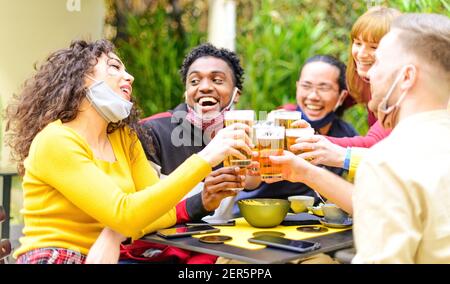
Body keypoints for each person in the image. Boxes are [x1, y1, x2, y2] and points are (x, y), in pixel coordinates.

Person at [4, 39, 252, 264]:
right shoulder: (55, 140)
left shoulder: (125, 138)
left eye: (125, 69)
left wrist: (114, 232)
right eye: (114, 67)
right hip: (55, 256)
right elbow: (127, 214)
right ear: (81, 79)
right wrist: (208, 157)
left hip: (110, 255)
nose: (130, 77)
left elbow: (159, 212)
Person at [271, 13, 450, 263]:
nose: (366, 72)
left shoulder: (388, 163)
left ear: (407, 77)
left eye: (378, 61)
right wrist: (305, 172)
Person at [232, 55, 357, 215]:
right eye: (306, 86)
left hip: (312, 225)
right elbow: (250, 182)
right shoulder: (279, 124)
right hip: (262, 217)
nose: (313, 96)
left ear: (342, 96)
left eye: (324, 88)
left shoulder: (346, 133)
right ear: (298, 87)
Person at [292, 6, 401, 179]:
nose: (362, 53)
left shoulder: (400, 92)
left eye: (373, 46)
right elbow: (327, 96)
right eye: (357, 43)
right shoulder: (361, 79)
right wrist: (287, 115)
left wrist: (307, 141)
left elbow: (374, 144)